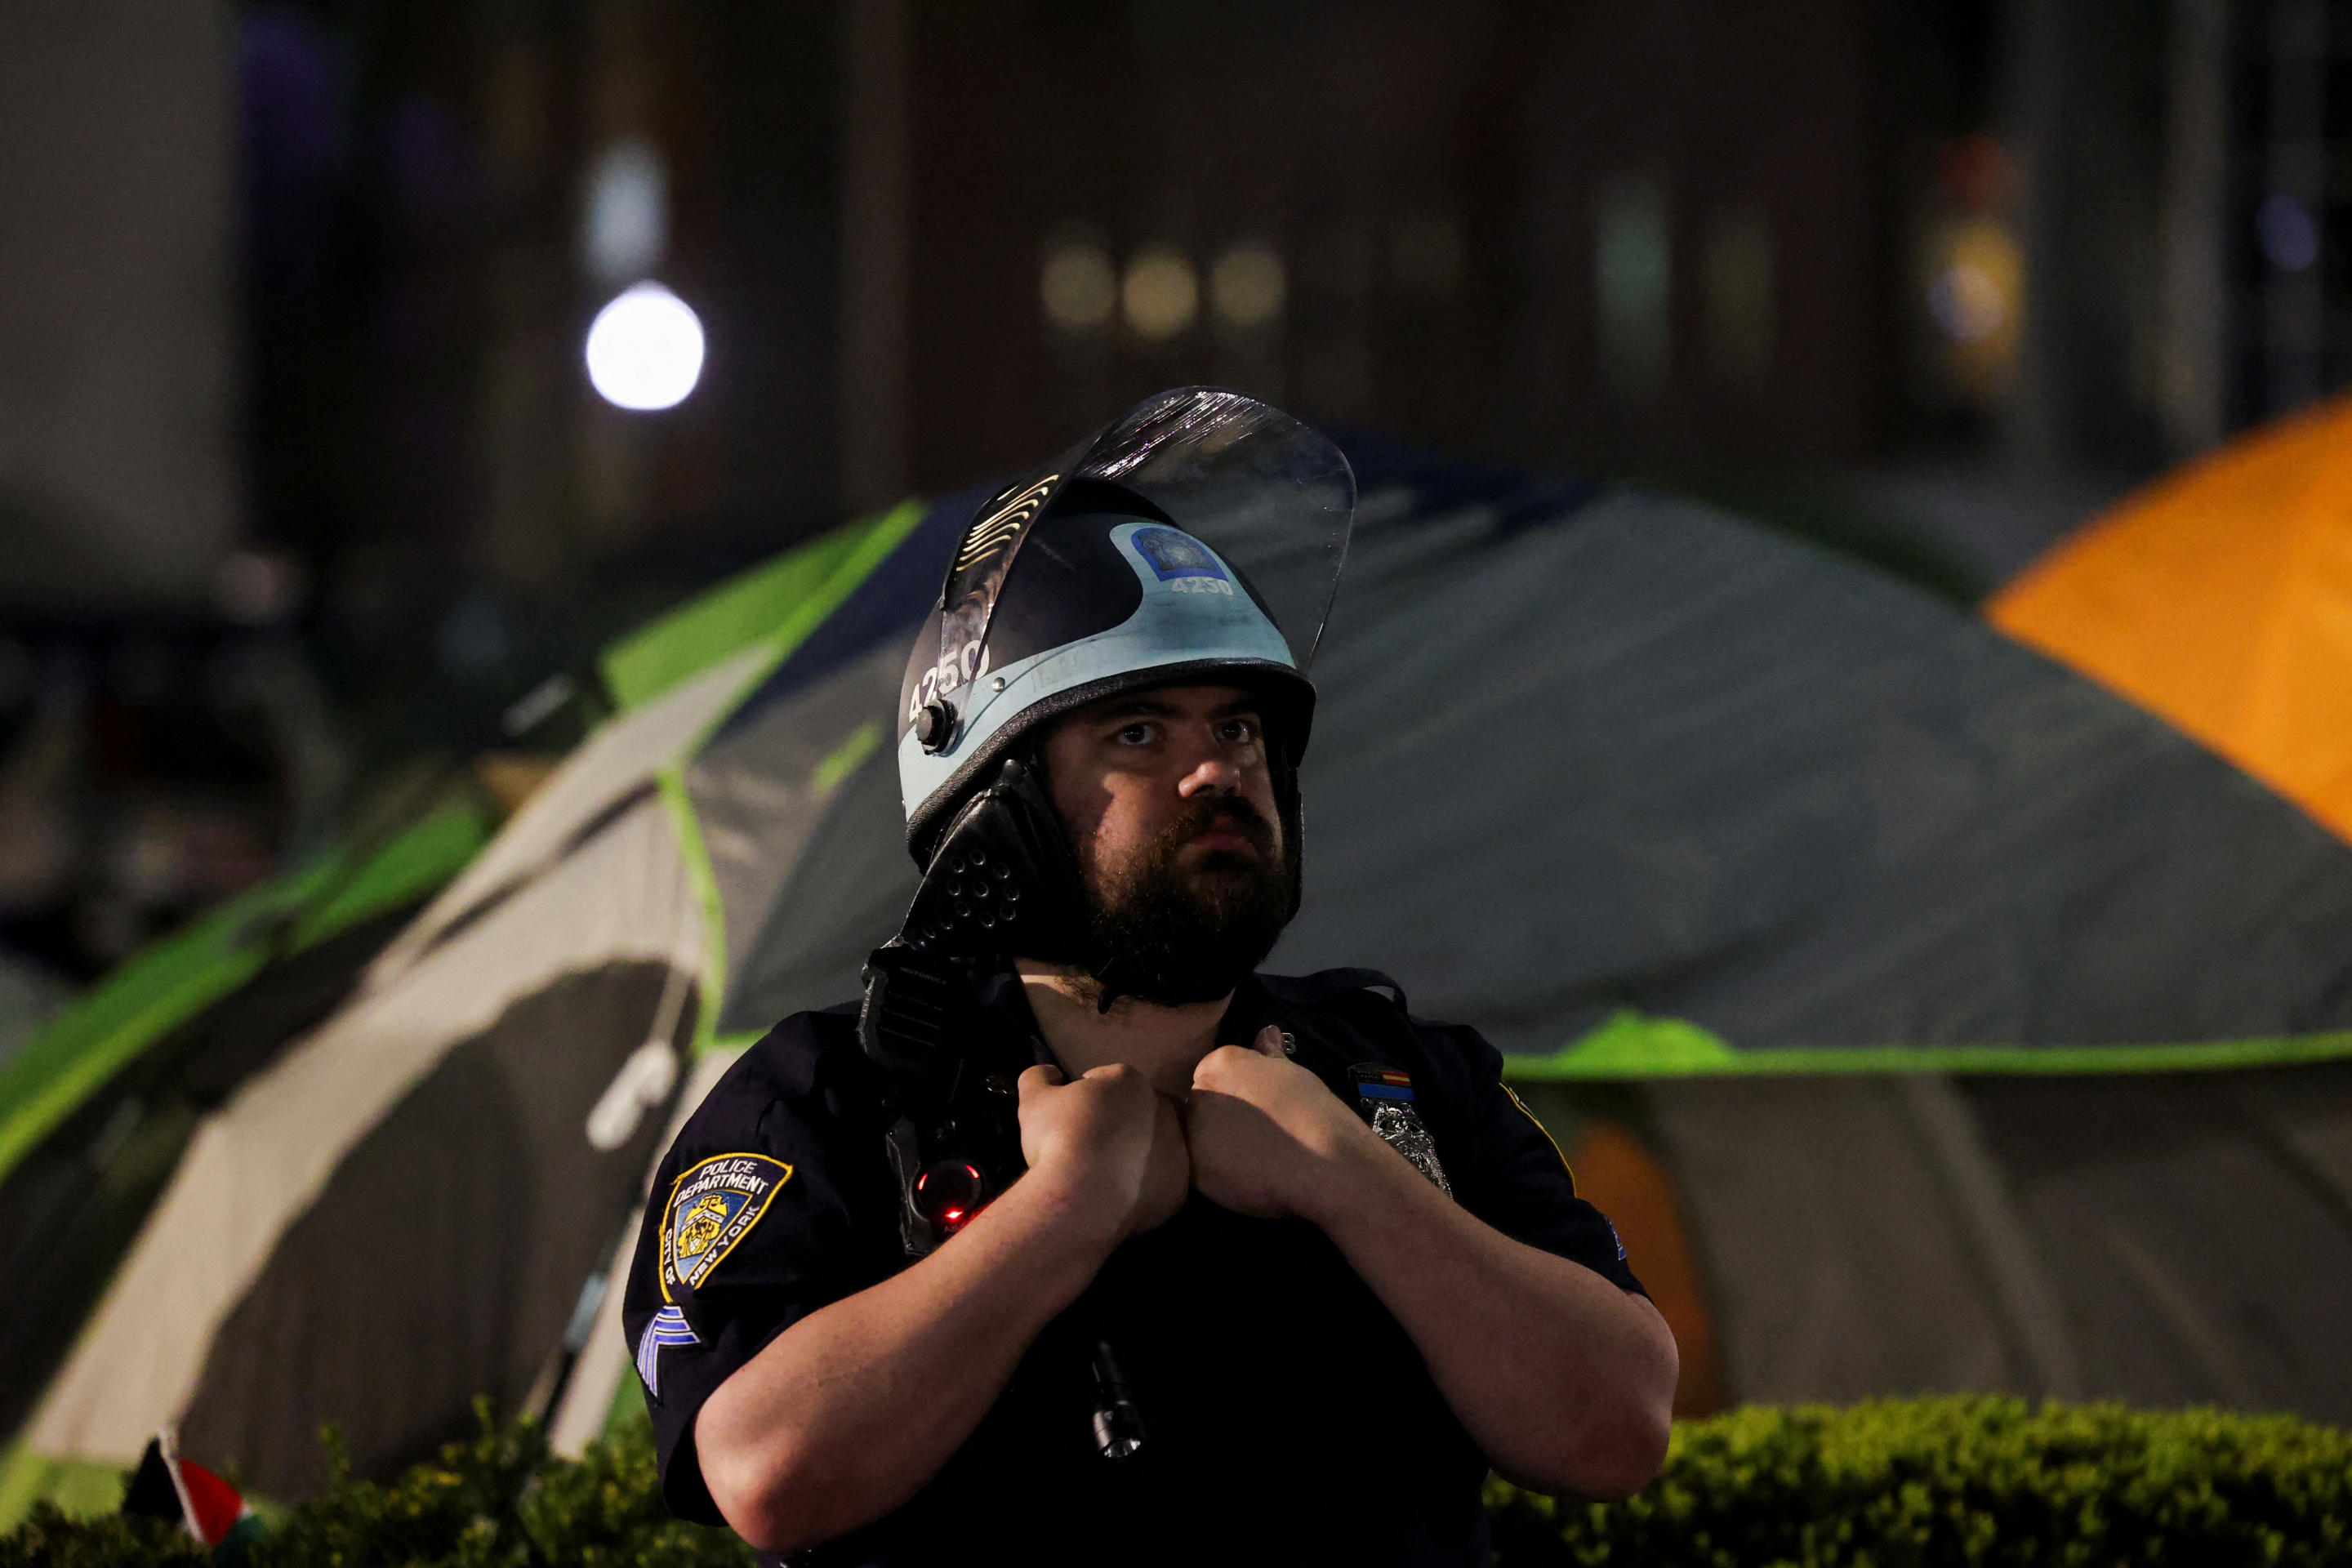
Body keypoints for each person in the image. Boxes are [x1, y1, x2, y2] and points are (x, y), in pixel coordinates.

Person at [621, 391, 1677, 1566]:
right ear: (995, 814)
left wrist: (1350, 1179)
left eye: (1238, 730)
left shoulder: (1402, 1078)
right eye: (1138, 735)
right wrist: (1060, 1213)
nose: (1213, 773)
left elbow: (1619, 1428)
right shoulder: (836, 1096)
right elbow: (772, 1472)